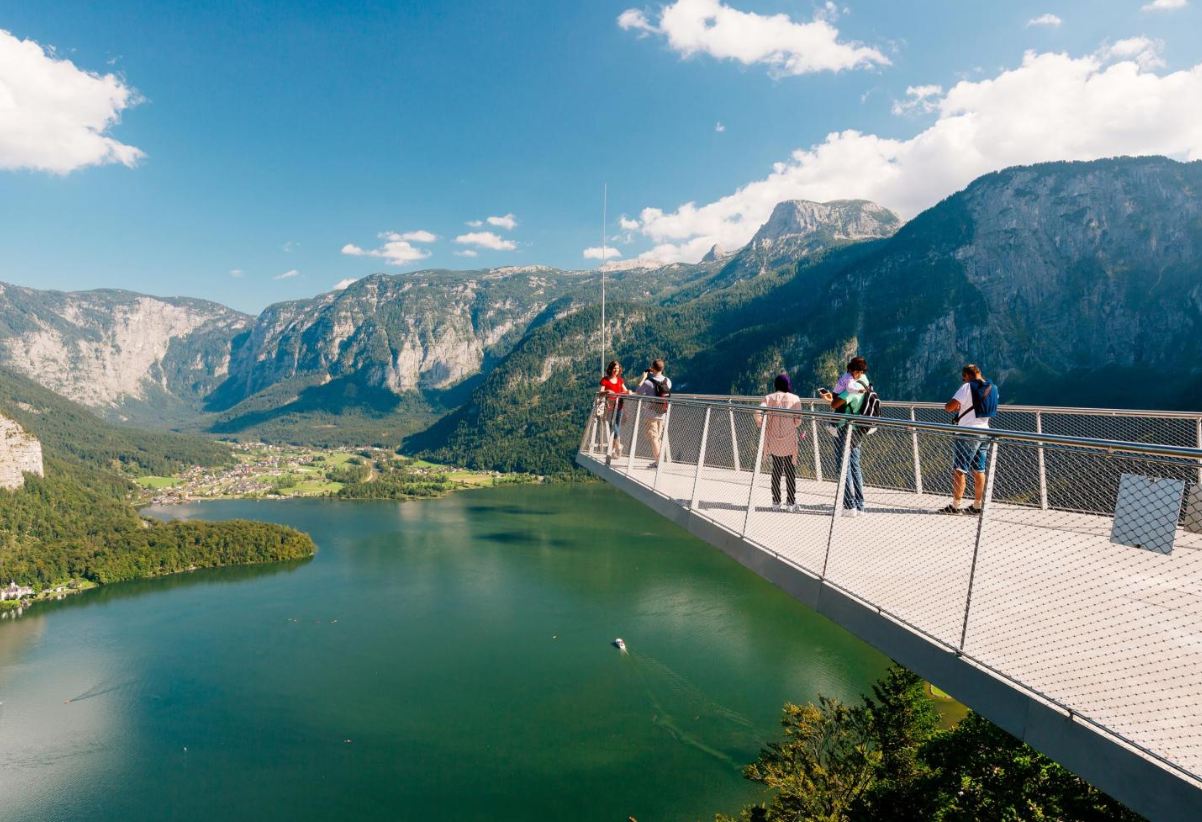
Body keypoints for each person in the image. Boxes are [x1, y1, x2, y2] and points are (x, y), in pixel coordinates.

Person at [941, 364, 996, 515]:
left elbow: (949, 407)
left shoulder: (967, 387)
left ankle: (956, 505)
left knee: (960, 469)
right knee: (979, 469)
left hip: (967, 433)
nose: (963, 380)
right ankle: (977, 505)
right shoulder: (993, 388)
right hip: (985, 431)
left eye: (963, 377)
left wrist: (956, 405)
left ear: (967, 375)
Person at [818, 358, 870, 517]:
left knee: (843, 465)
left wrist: (830, 399)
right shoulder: (865, 382)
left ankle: (849, 506)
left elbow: (835, 404)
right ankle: (860, 506)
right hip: (858, 427)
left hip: (845, 427)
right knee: (855, 465)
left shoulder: (850, 387)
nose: (858, 374)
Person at [755, 372, 803, 511]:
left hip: (774, 439)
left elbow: (758, 411)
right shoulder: (795, 399)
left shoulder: (769, 398)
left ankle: (776, 502)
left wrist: (761, 423)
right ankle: (791, 503)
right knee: (790, 471)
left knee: (776, 470)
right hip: (789, 439)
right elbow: (798, 421)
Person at [635, 359, 671, 469]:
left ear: (652, 368)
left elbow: (638, 392)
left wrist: (643, 378)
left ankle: (659, 462)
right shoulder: (667, 381)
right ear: (662, 368)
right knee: (658, 438)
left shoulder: (648, 382)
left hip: (650, 414)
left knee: (654, 438)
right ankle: (657, 461)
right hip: (663, 413)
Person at [598, 360, 633, 466]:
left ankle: (615, 449)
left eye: (617, 369)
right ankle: (618, 446)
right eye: (614, 368)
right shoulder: (605, 380)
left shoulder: (620, 380)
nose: (615, 370)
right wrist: (607, 392)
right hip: (609, 407)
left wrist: (629, 392)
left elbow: (625, 390)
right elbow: (600, 392)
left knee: (615, 426)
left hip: (619, 406)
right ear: (610, 369)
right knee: (613, 426)